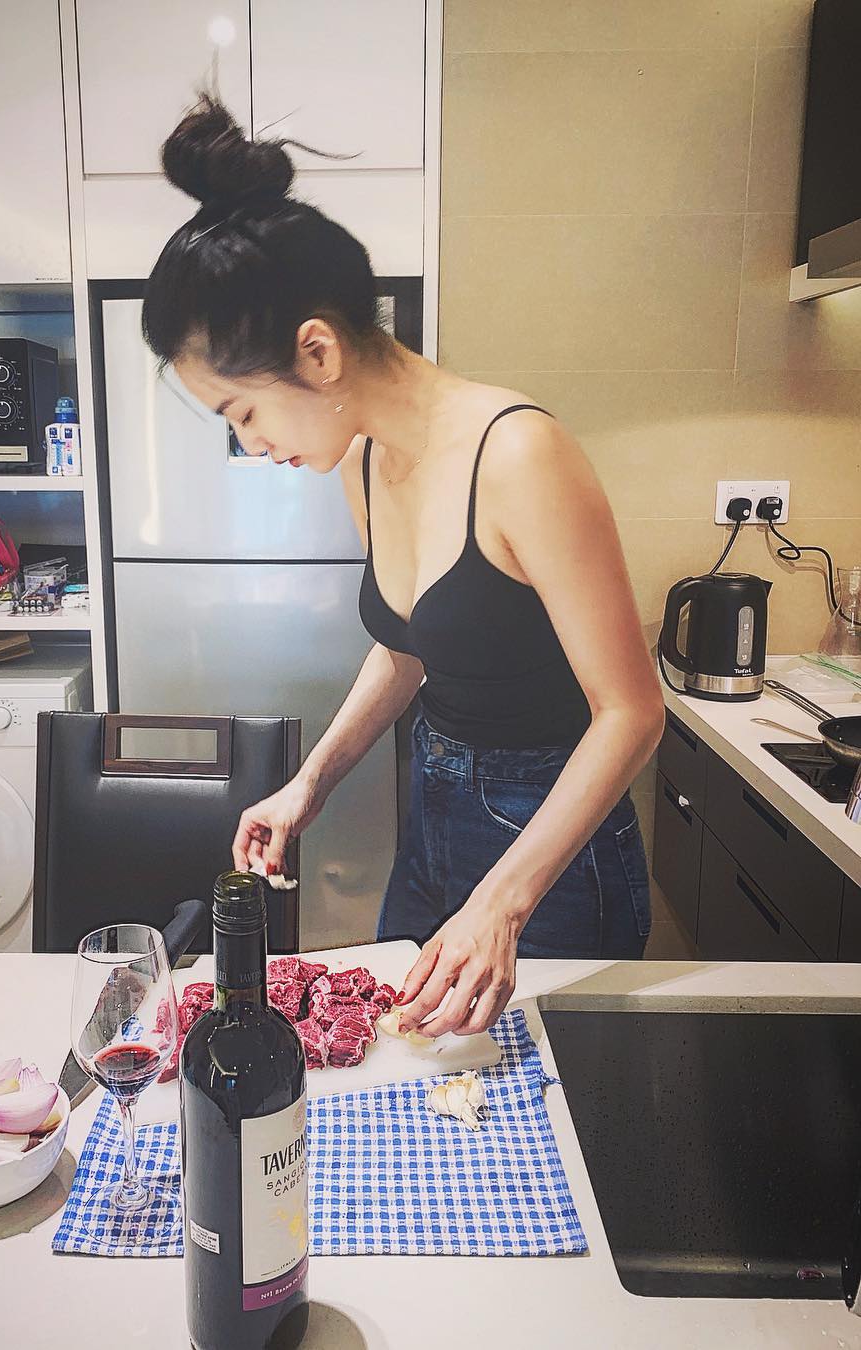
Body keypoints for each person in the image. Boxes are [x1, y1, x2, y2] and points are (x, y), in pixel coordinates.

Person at [142, 95, 665, 1038]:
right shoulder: (365, 462)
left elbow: (631, 712)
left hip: (548, 851)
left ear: (317, 351)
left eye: (243, 412)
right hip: (432, 815)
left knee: (537, 1104)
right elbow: (410, 646)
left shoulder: (519, 454)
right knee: (409, 1068)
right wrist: (310, 783)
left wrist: (501, 905)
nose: (251, 444)